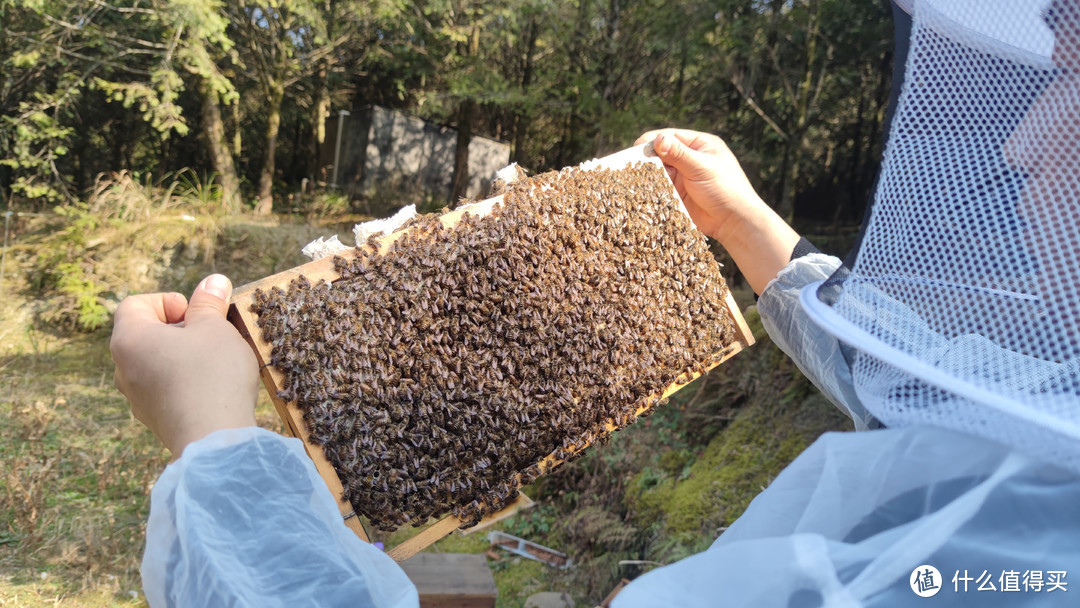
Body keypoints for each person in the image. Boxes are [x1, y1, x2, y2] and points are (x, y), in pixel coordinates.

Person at [112, 0, 1079, 605]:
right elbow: (949, 400)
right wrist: (755, 234)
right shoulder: (1047, 454)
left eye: (1068, 77)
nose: (1019, 142)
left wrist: (214, 449)